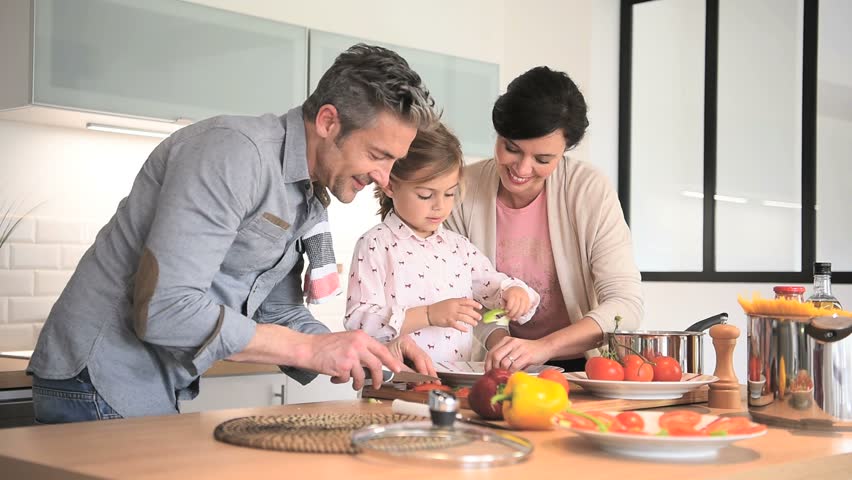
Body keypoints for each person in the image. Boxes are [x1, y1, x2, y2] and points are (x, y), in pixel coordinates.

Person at [27, 44, 439, 423]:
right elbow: (164, 309)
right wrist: (308, 349)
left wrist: (367, 355)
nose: (385, 179)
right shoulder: (235, 153)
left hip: (147, 382)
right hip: (96, 379)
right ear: (329, 121)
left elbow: (278, 312)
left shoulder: (304, 192)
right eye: (377, 155)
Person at [444, 66, 643, 373]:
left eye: (542, 159)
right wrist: (503, 345)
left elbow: (625, 304)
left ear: (565, 150)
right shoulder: (460, 191)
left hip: (585, 367)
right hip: (499, 364)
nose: (522, 169)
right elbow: (466, 293)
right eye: (511, 149)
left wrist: (543, 348)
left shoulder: (588, 190)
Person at [344, 123, 539, 367]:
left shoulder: (459, 248)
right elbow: (358, 321)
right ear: (390, 185)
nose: (440, 206)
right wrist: (428, 315)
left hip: (455, 382)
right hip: (395, 384)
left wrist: (514, 292)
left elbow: (493, 286)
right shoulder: (375, 245)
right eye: (426, 195)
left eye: (449, 194)